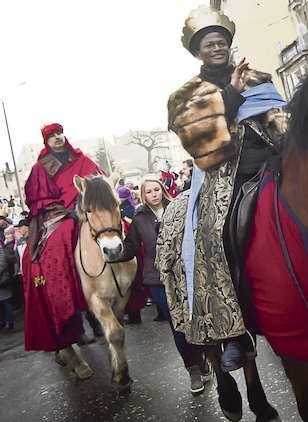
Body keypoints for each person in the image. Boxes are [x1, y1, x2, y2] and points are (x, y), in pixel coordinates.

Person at [159, 5, 286, 377]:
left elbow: (279, 118)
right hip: (223, 174)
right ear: (198, 52)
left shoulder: (257, 76)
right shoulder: (188, 93)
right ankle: (233, 333)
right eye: (209, 44)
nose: (217, 48)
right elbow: (197, 139)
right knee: (212, 238)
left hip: (271, 164)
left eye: (221, 42)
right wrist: (230, 91)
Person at [111, 174, 211, 395]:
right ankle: (192, 368)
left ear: (162, 190)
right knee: (177, 325)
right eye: (148, 191)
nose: (153, 194)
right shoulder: (139, 218)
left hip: (186, 274)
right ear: (143, 195)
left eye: (156, 190)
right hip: (157, 280)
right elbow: (131, 247)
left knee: (193, 320)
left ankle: (203, 357)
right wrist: (111, 255)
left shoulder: (179, 208)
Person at [21, 123, 103, 380]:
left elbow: (97, 182)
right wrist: (66, 210)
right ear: (46, 141)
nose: (57, 138)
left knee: (115, 227)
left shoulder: (81, 159)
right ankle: (69, 298)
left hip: (85, 207)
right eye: (51, 135)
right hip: (59, 215)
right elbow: (39, 203)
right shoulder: (40, 168)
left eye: (59, 133)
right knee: (63, 236)